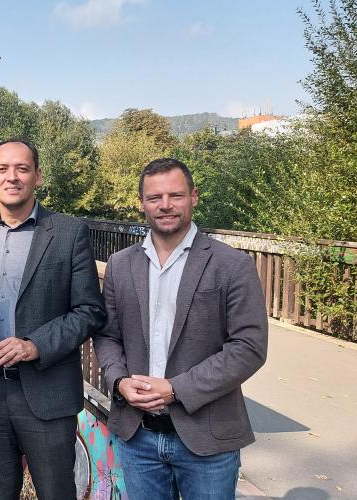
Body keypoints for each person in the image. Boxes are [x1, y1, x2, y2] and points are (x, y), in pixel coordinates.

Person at [93, 158, 268, 499]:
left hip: (208, 439)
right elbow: (107, 335)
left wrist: (176, 389)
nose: (165, 205)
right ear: (142, 203)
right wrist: (119, 381)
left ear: (194, 197)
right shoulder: (120, 264)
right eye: (154, 197)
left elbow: (249, 347)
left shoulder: (232, 264)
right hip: (137, 437)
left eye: (175, 195)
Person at [0, 139, 106, 499]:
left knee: (56, 493)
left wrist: (35, 345)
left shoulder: (68, 232)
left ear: (38, 175)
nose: (12, 177)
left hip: (46, 392)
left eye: (22, 168)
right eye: (2, 169)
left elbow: (90, 311)